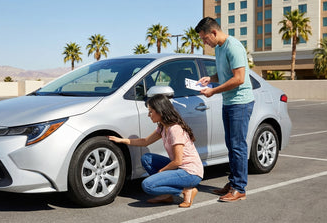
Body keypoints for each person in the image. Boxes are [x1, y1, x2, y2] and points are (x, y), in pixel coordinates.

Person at [195, 17, 255, 202]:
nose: (204, 42)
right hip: (229, 102)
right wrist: (210, 79)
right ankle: (233, 182)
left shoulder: (233, 46)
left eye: (205, 38)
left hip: (240, 103)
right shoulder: (220, 48)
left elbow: (239, 78)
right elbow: (225, 74)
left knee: (238, 146)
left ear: (214, 32)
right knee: (231, 145)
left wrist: (213, 91)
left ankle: (240, 188)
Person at [109, 94, 203, 208]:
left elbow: (178, 161)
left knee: (148, 185)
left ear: (160, 111)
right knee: (146, 159)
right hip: (179, 168)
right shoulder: (163, 127)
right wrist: (122, 140)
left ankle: (187, 190)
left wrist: (162, 171)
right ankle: (167, 194)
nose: (149, 115)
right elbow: (145, 141)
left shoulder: (175, 130)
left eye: (151, 111)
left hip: (190, 173)